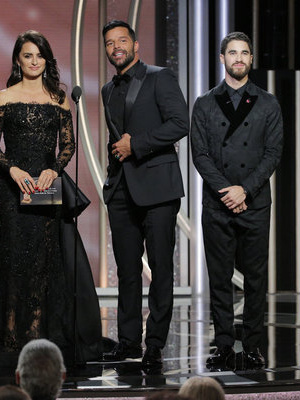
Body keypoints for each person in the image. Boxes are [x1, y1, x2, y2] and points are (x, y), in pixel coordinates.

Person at [0, 30, 102, 368]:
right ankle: (11, 337)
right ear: (17, 59)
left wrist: (53, 170)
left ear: (47, 59)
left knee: (44, 261)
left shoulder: (58, 98)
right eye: (28, 55)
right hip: (13, 190)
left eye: (40, 55)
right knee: (13, 259)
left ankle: (38, 334)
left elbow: (68, 146)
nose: (34, 61)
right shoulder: (3, 97)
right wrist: (12, 170)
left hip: (45, 188)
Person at [190, 32, 283, 370]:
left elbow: (273, 153)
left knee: (256, 278)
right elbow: (199, 154)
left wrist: (245, 190)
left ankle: (254, 345)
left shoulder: (268, 103)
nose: (239, 58)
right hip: (218, 203)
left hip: (255, 202)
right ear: (222, 58)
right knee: (219, 278)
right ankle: (225, 345)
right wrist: (227, 192)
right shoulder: (204, 103)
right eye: (233, 52)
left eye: (245, 52)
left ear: (251, 59)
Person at [100, 20, 189, 369]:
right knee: (126, 271)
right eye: (110, 43)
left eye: (122, 40)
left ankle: (154, 344)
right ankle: (127, 341)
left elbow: (180, 123)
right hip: (121, 189)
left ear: (136, 46)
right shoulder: (108, 89)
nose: (116, 47)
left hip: (158, 187)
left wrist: (136, 145)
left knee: (161, 269)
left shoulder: (159, 76)